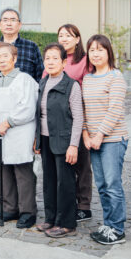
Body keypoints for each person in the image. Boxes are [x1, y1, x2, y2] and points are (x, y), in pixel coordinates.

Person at [0, 7, 44, 207]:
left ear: (19, 24)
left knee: (21, 164)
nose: (9, 23)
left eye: (13, 19)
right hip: (0, 110)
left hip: (23, 111)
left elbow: (39, 77)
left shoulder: (31, 47)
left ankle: (26, 208)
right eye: (5, 20)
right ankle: (6, 202)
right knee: (2, 163)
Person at [0, 42, 38, 228]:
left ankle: (27, 211)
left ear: (14, 58)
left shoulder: (25, 80)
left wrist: (8, 122)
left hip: (19, 132)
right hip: (0, 132)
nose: (1, 60)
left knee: (22, 172)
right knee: (4, 170)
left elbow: (28, 109)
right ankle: (9, 207)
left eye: (5, 56)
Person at [82, 34, 128, 245]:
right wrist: (86, 135)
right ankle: (108, 224)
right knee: (101, 185)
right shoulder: (88, 79)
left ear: (108, 52)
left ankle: (117, 230)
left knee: (112, 184)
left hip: (112, 140)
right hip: (92, 141)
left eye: (100, 49)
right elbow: (83, 110)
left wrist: (100, 134)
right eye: (92, 50)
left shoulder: (115, 77)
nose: (96, 53)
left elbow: (115, 110)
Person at [34, 43, 83, 238]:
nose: (51, 62)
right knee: (49, 181)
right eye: (48, 58)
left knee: (65, 183)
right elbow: (40, 114)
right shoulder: (43, 82)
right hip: (46, 140)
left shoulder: (71, 85)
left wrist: (73, 145)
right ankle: (51, 218)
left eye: (55, 58)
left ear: (64, 62)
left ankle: (66, 223)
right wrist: (37, 139)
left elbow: (78, 117)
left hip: (64, 141)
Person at [45, 24, 93, 223]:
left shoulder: (84, 60)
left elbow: (87, 87)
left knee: (81, 163)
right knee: (62, 167)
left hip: (80, 115)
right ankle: (65, 205)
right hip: (57, 120)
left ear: (77, 38)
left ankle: (83, 205)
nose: (64, 38)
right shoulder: (53, 58)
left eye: (68, 35)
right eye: (60, 35)